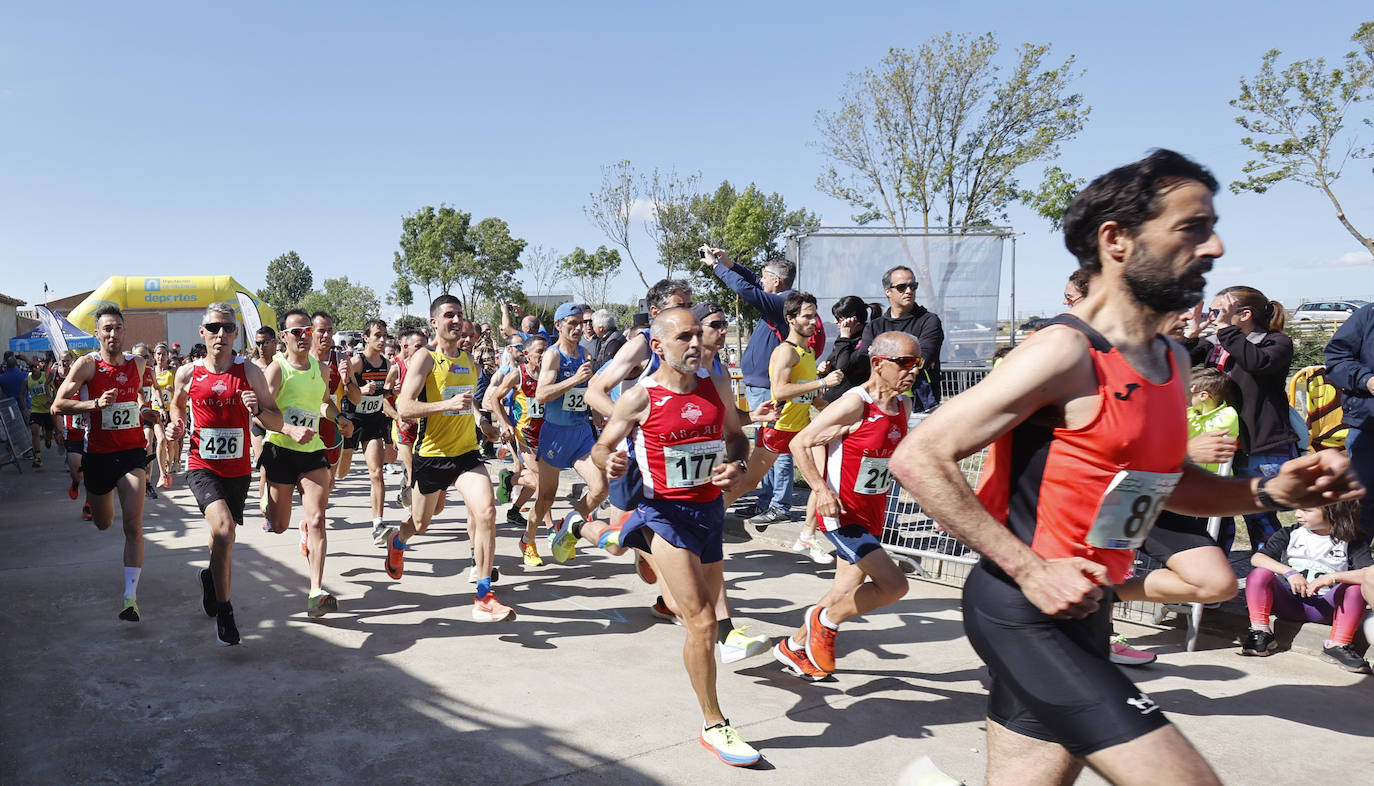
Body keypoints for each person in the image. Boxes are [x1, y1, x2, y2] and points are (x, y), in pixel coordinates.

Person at [889, 149, 1365, 785]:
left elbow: (1169, 483)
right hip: (1025, 608)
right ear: (1116, 240)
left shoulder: (1168, 358)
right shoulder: (1065, 351)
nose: (1214, 245)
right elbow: (918, 456)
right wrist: (1031, 569)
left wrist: (1267, 489)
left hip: (1089, 606)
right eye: (1191, 228)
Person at [591, 307, 760, 767]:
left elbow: (736, 439)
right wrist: (610, 461)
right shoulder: (639, 398)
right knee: (703, 621)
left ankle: (600, 532)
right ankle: (714, 722)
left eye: (698, 336)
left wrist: (737, 465)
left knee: (703, 612)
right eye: (684, 336)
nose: (695, 344)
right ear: (658, 345)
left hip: (708, 512)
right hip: (664, 514)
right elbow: (603, 445)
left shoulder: (716, 386)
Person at [774, 331, 916, 680]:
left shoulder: (903, 405)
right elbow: (800, 443)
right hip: (843, 514)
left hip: (873, 513)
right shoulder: (856, 403)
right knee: (895, 585)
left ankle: (793, 646)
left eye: (918, 363)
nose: (913, 370)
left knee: (843, 590)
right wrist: (821, 490)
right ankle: (827, 621)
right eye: (906, 362)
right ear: (879, 364)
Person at [384, 295, 514, 623]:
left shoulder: (468, 361)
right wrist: (445, 406)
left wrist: (483, 422)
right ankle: (398, 542)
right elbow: (404, 407)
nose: (456, 321)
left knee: (485, 511)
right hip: (430, 456)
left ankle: (484, 595)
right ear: (435, 323)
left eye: (459, 315)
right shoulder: (425, 359)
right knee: (421, 524)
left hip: (465, 454)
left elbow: (468, 402)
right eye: (449, 316)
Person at [168, 303, 283, 645]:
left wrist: (257, 409)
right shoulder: (188, 373)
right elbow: (176, 403)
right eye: (214, 328)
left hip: (237, 469)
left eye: (228, 328)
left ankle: (210, 578)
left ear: (236, 333)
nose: (221, 334)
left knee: (221, 539)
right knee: (225, 531)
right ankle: (225, 609)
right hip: (201, 465)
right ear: (202, 332)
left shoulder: (250, 373)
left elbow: (275, 420)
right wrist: (176, 423)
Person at [51, 305, 159, 622]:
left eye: (117, 328)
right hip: (97, 454)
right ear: (98, 333)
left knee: (133, 524)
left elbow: (143, 401)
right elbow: (58, 404)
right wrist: (94, 404)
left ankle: (130, 598)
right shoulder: (87, 365)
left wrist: (148, 416)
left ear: (124, 332)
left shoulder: (138, 365)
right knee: (103, 522)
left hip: (131, 453)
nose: (113, 334)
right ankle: (93, 497)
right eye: (107, 329)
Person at [706, 248, 824, 527]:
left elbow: (748, 291)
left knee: (785, 456)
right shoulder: (780, 302)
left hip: (778, 400)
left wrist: (717, 268)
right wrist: (729, 263)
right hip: (765, 395)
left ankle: (780, 506)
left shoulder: (781, 304)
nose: (761, 281)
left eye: (765, 277)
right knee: (761, 462)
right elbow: (752, 283)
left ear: (777, 282)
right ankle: (764, 501)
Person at [1188, 285, 1299, 554]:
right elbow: (1176, 360)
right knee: (1217, 516)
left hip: (1260, 446)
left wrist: (1226, 330)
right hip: (1222, 444)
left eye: (1219, 312)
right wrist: (1191, 335)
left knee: (1260, 515)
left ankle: (1274, 581)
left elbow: (1257, 363)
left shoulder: (1275, 342)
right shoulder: (1217, 344)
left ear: (1245, 314)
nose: (1213, 318)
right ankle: (1214, 583)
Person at [722, 291, 843, 529]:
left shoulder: (808, 353)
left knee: (823, 479)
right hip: (779, 428)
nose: (813, 322)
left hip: (802, 432)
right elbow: (781, 390)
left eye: (815, 316)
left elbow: (813, 399)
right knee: (749, 482)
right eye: (807, 317)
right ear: (791, 319)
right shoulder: (785, 351)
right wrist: (823, 382)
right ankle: (714, 513)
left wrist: (843, 413)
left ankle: (810, 534)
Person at [259, 309, 343, 617]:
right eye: (297, 332)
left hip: (312, 451)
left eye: (308, 331)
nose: (304, 336)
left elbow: (322, 402)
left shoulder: (320, 369)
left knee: (318, 518)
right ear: (284, 337)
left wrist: (340, 417)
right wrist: (288, 428)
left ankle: (316, 592)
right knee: (279, 525)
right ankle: (266, 495)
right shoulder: (277, 370)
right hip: (280, 450)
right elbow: (262, 414)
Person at [1241, 500, 1371, 672]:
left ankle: (1338, 645)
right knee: (1259, 574)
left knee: (1355, 588)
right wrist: (1289, 572)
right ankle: (1260, 632)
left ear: (1333, 511)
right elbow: (1257, 558)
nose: (1297, 514)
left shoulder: (1352, 541)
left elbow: (1369, 573)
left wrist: (1332, 577)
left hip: (1326, 607)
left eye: (1306, 509)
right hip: (1288, 602)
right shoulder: (1290, 533)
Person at [532, 302, 609, 561]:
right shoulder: (553, 355)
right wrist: (574, 379)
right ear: (558, 325)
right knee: (545, 498)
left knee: (600, 488)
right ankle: (528, 538)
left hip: (581, 433)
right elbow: (541, 394)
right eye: (572, 324)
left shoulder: (585, 356)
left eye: (582, 323)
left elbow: (588, 393)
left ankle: (568, 524)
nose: (578, 328)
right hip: (555, 433)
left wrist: (597, 413)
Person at [484, 334, 549, 566]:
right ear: (527, 354)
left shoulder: (552, 375)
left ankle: (511, 485)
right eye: (539, 351)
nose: (543, 355)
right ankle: (545, 533)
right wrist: (505, 424)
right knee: (544, 485)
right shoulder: (518, 374)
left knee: (539, 484)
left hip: (548, 437)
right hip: (524, 436)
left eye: (546, 350)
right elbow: (494, 399)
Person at [339, 319, 398, 544]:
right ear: (366, 338)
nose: (382, 340)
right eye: (377, 335)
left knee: (377, 473)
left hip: (373, 420)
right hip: (352, 420)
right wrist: (360, 389)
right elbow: (343, 390)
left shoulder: (387, 365)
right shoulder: (357, 362)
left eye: (384, 335)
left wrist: (390, 391)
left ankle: (377, 524)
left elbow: (383, 394)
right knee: (341, 473)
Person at [858, 265, 944, 410]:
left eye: (913, 286)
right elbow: (863, 361)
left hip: (920, 405)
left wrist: (882, 358)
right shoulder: (874, 326)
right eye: (902, 287)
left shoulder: (929, 321)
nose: (909, 291)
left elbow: (922, 360)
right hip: (879, 402)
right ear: (888, 291)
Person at [1325, 301, 1374, 537]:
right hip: (1368, 426)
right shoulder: (1368, 316)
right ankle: (1359, 563)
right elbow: (1336, 359)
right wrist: (1366, 380)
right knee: (1363, 498)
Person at [309, 312, 356, 486]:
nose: (327, 335)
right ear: (310, 332)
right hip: (305, 425)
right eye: (321, 331)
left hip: (332, 426)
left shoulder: (341, 360)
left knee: (328, 483)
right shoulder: (301, 360)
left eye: (330, 330)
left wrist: (347, 380)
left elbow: (356, 399)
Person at [388, 327, 427, 517]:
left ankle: (406, 489)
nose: (422, 350)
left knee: (420, 467)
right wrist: (397, 416)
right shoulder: (397, 367)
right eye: (418, 346)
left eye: (424, 346)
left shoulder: (431, 366)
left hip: (424, 423)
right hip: (404, 425)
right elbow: (383, 398)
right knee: (412, 468)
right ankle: (414, 513)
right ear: (405, 346)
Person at [818, 296, 883, 404]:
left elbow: (843, 367)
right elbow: (834, 364)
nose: (835, 322)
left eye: (839, 319)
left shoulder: (866, 339)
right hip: (833, 401)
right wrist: (824, 371)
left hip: (853, 402)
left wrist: (844, 337)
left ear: (853, 320)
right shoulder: (845, 339)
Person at [248, 326, 277, 498]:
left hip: (279, 422)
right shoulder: (251, 368)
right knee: (265, 470)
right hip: (258, 423)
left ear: (274, 342)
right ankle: (266, 512)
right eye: (258, 343)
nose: (261, 347)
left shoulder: (282, 366)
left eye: (265, 342)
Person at [131, 343, 162, 498]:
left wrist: (161, 405)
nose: (143, 360)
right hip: (131, 418)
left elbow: (156, 387)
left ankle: (147, 482)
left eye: (146, 357)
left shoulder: (150, 371)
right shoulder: (130, 372)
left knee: (149, 442)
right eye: (139, 357)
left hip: (146, 414)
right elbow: (137, 393)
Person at [151, 343, 178, 489]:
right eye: (158, 354)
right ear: (154, 356)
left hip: (170, 410)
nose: (161, 357)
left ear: (168, 356)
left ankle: (169, 470)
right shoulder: (150, 372)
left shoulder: (172, 371)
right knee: (161, 441)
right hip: (156, 411)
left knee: (170, 443)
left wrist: (172, 389)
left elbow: (181, 391)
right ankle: (162, 474)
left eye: (164, 354)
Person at [26, 358, 54, 468]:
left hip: (47, 409)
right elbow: (22, 393)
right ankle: (37, 457)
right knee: (35, 432)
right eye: (31, 367)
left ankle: (48, 439)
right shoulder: (27, 380)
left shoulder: (45, 376)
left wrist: (50, 400)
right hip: (35, 409)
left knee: (49, 434)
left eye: (35, 366)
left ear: (39, 367)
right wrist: (24, 408)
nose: (33, 369)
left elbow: (54, 388)